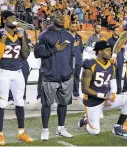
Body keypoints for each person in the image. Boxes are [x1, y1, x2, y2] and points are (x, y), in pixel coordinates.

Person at [0, 10, 33, 146]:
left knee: (19, 102)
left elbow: (25, 54)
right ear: (4, 20)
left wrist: (22, 39)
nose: (15, 19)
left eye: (15, 17)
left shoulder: (19, 34)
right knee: (2, 103)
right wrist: (3, 38)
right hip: (4, 72)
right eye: (11, 17)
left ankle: (21, 132)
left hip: (17, 72)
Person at [34, 10, 75, 140]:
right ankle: (45, 130)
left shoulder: (69, 36)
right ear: (51, 19)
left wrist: (71, 70)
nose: (62, 18)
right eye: (58, 17)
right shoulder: (44, 35)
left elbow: (72, 55)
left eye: (62, 16)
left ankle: (61, 128)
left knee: (63, 103)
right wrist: (54, 50)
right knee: (47, 104)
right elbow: (37, 53)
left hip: (66, 76)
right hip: (50, 76)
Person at [78, 41, 127, 136]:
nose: (110, 53)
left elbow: (112, 79)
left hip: (106, 99)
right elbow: (85, 89)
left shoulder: (111, 64)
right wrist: (104, 96)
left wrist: (113, 94)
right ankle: (85, 121)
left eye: (110, 51)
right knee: (95, 131)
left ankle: (118, 127)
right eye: (107, 50)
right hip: (93, 101)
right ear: (99, 52)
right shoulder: (90, 64)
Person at [68, 22, 84, 100]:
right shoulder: (66, 37)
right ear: (69, 27)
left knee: (77, 76)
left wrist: (81, 60)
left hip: (78, 60)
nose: (74, 28)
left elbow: (81, 49)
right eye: (72, 26)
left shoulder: (79, 37)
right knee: (69, 77)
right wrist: (72, 45)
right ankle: (68, 93)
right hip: (69, 60)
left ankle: (76, 93)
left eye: (75, 26)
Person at [107, 26, 124, 94]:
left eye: (119, 30)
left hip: (120, 60)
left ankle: (119, 90)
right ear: (113, 31)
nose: (118, 31)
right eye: (116, 30)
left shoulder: (121, 40)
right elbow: (107, 51)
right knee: (111, 76)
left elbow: (123, 50)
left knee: (119, 75)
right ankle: (110, 90)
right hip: (112, 61)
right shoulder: (109, 40)